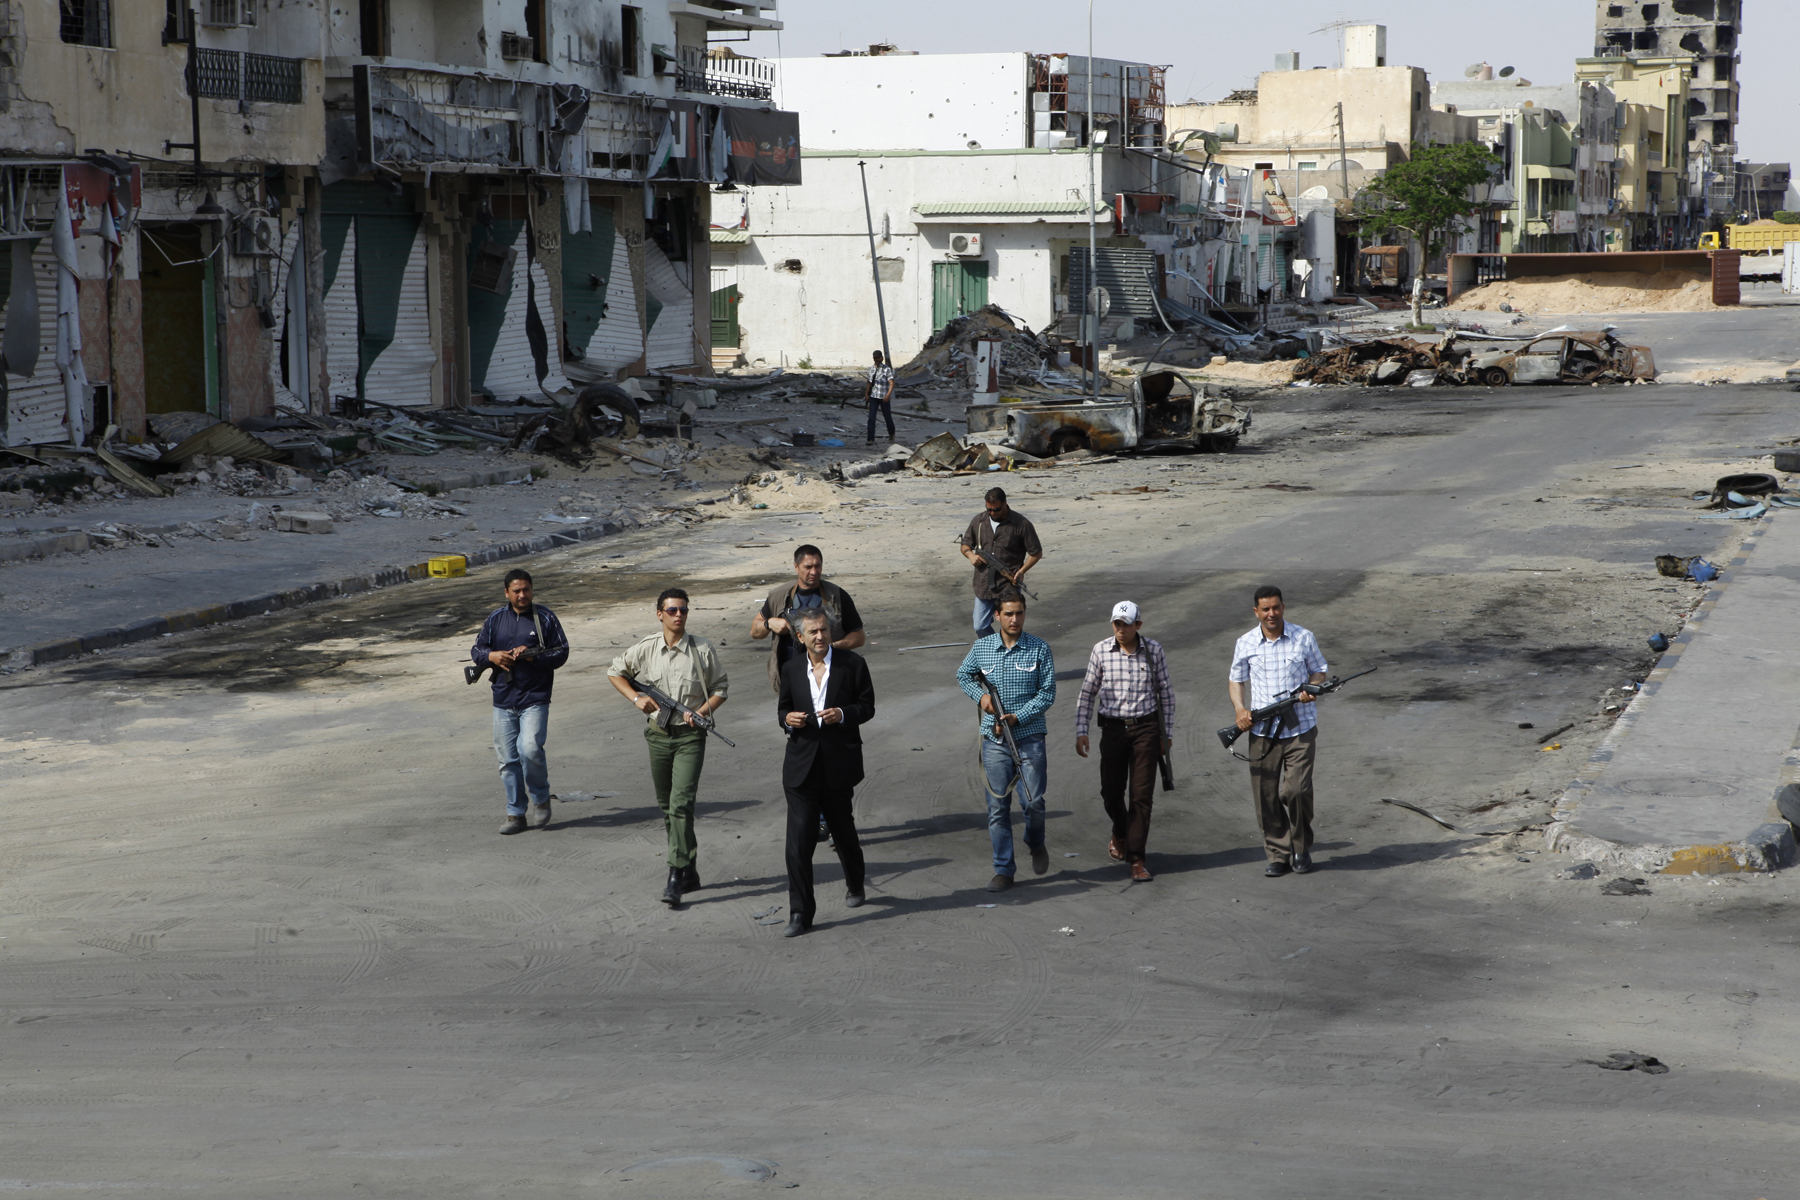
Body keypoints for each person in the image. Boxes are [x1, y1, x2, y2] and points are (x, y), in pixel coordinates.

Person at [608, 587, 730, 907]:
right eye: (673, 610)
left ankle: (675, 875)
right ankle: (689, 868)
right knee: (668, 807)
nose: (679, 615)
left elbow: (720, 688)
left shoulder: (701, 649)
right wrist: (637, 699)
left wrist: (699, 713)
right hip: (658, 736)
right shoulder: (647, 648)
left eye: (684, 610)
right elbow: (615, 672)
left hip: (690, 737)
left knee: (680, 804)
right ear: (660, 614)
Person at [778, 609, 876, 937]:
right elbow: (783, 708)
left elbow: (867, 706)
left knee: (842, 832)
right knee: (798, 844)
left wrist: (843, 714)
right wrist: (787, 719)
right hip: (801, 768)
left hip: (838, 765)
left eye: (824, 630)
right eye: (813, 632)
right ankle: (799, 913)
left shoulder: (853, 664)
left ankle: (855, 883)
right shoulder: (791, 668)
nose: (820, 636)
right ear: (800, 637)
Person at [955, 592, 1056, 892]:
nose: (1015, 619)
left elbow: (1047, 693)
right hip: (994, 739)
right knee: (998, 807)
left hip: (1029, 737)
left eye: (1019, 613)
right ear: (996, 616)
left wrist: (1017, 717)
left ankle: (1035, 843)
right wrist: (982, 697)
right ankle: (1003, 869)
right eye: (1009, 614)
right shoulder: (982, 647)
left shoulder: (1039, 648)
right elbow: (963, 675)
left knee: (1034, 802)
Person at [1228, 586, 1329, 878]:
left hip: (1300, 728)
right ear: (1256, 612)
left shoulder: (1303, 637)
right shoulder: (1245, 642)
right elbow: (1236, 680)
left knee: (1296, 791)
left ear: (1283, 607)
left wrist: (1312, 688)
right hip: (1263, 732)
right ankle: (1278, 853)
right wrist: (1240, 710)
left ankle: (1301, 848)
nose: (1271, 614)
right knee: (1266, 796)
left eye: (1276, 607)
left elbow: (1319, 671)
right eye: (1265, 609)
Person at [1074, 600, 1176, 882]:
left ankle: (1137, 859)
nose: (1120, 629)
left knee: (1141, 797)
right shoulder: (1101, 651)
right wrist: (1082, 730)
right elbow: (1087, 693)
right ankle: (1120, 830)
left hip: (1146, 729)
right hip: (1113, 730)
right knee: (1110, 792)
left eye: (1126, 624)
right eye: (1116, 624)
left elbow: (1166, 695)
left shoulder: (1153, 651)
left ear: (1138, 625)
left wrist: (1166, 735)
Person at [471, 569, 571, 834]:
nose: (522, 595)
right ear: (507, 592)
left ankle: (540, 798)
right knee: (507, 761)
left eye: (526, 589)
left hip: (535, 697)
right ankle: (515, 814)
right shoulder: (495, 619)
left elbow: (562, 652)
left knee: (530, 750)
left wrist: (534, 656)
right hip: (503, 698)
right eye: (516, 591)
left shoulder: (545, 618)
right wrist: (492, 657)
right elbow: (477, 649)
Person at [751, 543, 866, 693]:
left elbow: (859, 637)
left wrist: (830, 647)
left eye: (818, 566)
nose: (814, 572)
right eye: (808, 567)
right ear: (796, 567)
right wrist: (769, 623)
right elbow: (755, 631)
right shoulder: (779, 596)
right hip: (791, 680)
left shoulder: (837, 596)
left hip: (830, 679)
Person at [959, 487, 1043, 639]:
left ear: (1005, 503)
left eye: (996, 509)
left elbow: (1036, 553)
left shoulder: (1021, 524)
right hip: (983, 584)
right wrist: (970, 555)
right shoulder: (979, 521)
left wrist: (1022, 571)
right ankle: (995, 647)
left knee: (1011, 626)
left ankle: (1010, 650)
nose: (992, 513)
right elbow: (965, 544)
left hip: (1008, 584)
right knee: (980, 626)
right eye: (989, 509)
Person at [864, 349, 896, 447]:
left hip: (883, 397)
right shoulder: (871, 369)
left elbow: (891, 383)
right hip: (874, 396)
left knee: (887, 417)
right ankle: (870, 439)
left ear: (881, 358)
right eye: (875, 358)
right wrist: (866, 394)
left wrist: (888, 395)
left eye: (878, 358)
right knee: (871, 418)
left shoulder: (886, 369)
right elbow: (869, 383)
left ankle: (891, 434)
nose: (876, 359)